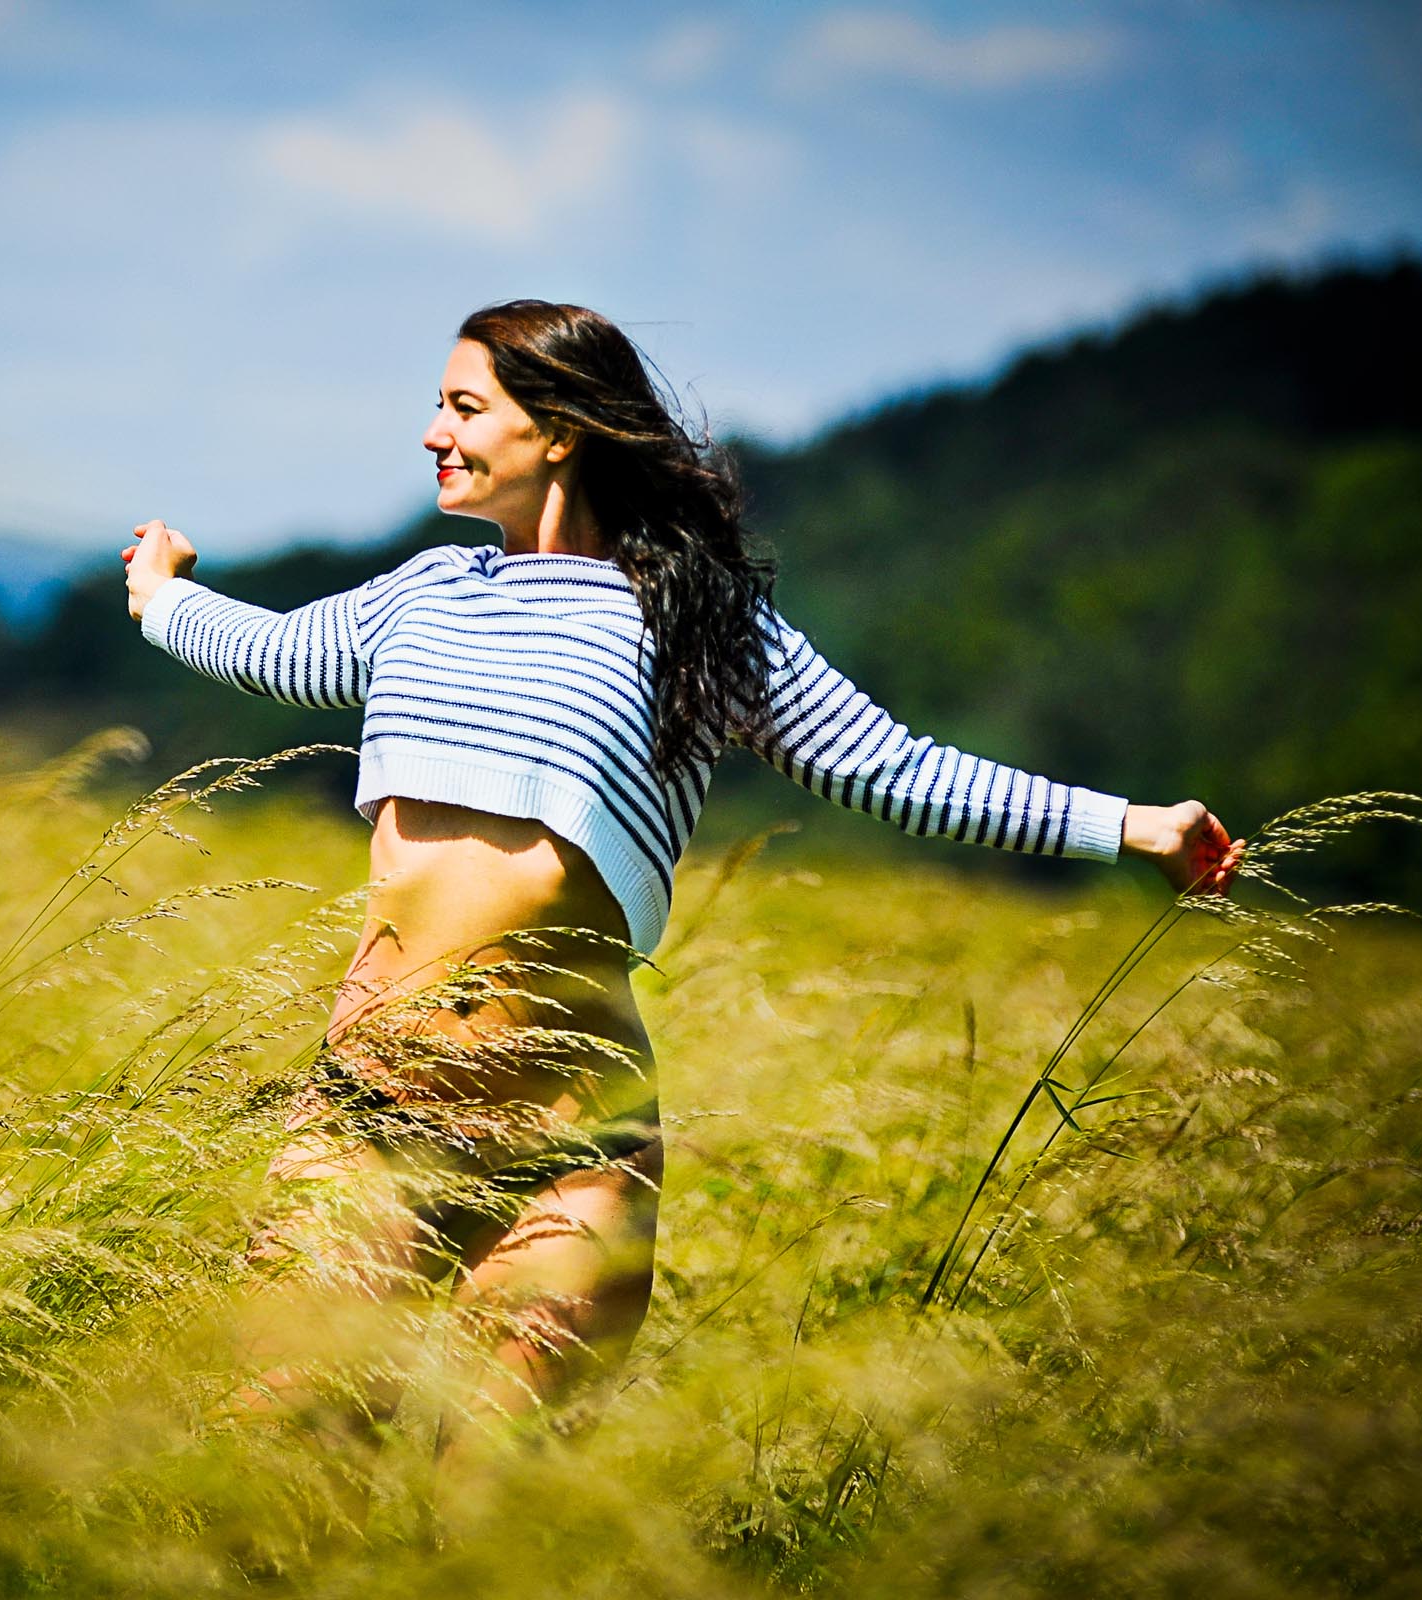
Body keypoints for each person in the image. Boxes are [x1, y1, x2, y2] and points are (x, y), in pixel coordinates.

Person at [118, 299, 1243, 1423]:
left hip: (573, 1138)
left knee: (489, 1499)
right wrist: (162, 590)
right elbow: (265, 648)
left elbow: (892, 768)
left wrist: (1130, 824)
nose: (432, 432)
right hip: (374, 1114)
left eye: (464, 406)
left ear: (559, 431)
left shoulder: (694, 622)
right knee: (281, 1442)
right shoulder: (423, 596)